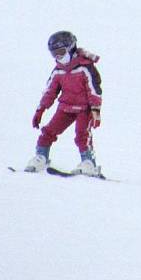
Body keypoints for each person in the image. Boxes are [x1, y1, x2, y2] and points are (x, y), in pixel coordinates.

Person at [25, 31, 103, 175]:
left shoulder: (84, 67)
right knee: (48, 131)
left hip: (84, 109)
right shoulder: (58, 71)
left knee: (82, 135)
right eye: (54, 54)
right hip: (65, 108)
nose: (58, 57)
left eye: (61, 52)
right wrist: (40, 109)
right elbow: (50, 91)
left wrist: (95, 110)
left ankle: (88, 163)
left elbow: (94, 90)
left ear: (71, 48)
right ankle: (41, 156)